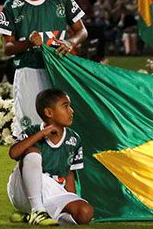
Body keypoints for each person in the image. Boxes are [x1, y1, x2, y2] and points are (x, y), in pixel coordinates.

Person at [0, 0, 87, 138]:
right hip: (29, 73)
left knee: (61, 130)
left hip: (59, 72)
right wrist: (29, 43)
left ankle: (58, 167)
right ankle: (28, 167)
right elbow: (8, 47)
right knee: (31, 132)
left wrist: (71, 41)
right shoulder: (13, 6)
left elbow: (82, 30)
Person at [6, 89, 94, 226]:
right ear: (49, 113)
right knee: (32, 151)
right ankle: (37, 210)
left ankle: (33, 216)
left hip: (53, 192)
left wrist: (73, 199)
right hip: (23, 192)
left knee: (85, 213)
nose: (71, 111)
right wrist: (40, 134)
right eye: (65, 106)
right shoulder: (31, 132)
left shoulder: (74, 139)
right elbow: (13, 153)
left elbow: (70, 174)